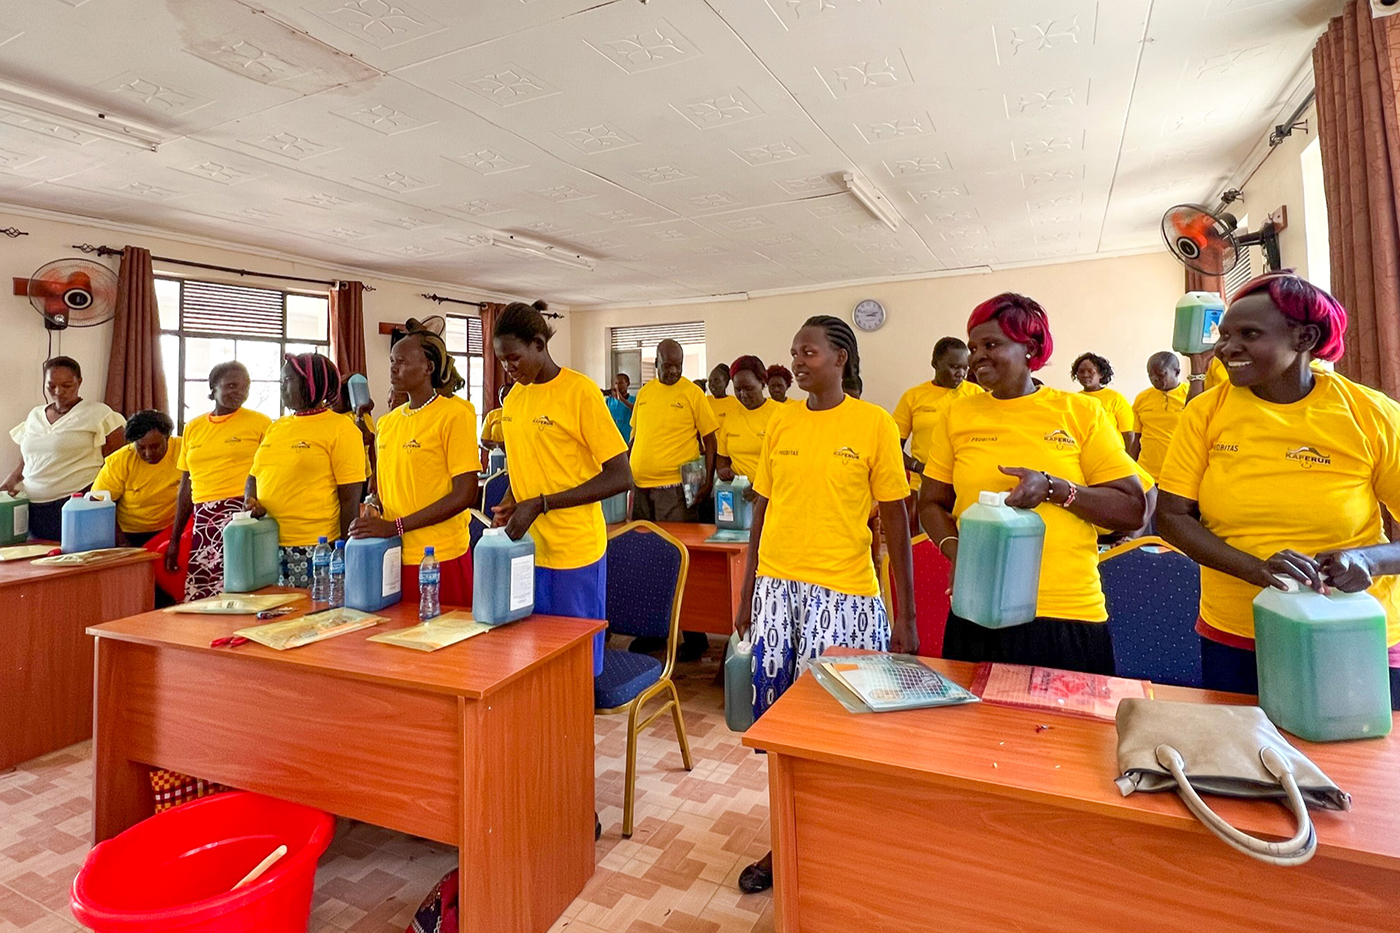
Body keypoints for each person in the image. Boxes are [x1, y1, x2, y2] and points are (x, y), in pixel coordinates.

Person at [735, 315, 917, 894]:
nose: (797, 360)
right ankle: (783, 837)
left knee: (840, 733)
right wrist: (746, 594)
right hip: (776, 594)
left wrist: (905, 619)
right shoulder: (781, 422)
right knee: (784, 732)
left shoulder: (874, 425)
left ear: (840, 356)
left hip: (845, 598)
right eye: (794, 351)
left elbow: (895, 521)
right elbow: (760, 510)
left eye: (808, 351)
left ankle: (841, 836)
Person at [1157, 272, 1400, 703]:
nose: (1227, 348)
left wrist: (1367, 559)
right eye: (1224, 334)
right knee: (1246, 761)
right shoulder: (1206, 413)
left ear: (1305, 337)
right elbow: (1172, 517)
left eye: (1249, 334)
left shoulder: (1370, 415)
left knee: (1361, 762)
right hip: (1238, 629)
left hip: (1353, 628)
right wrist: (1257, 570)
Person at [918, 294, 1147, 675]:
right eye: (974, 347)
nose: (977, 357)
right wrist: (961, 554)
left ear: (1031, 348)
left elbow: (1132, 508)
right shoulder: (957, 414)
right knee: (972, 733)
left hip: (1066, 612)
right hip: (978, 608)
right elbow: (930, 503)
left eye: (992, 345)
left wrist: (1054, 488)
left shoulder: (1080, 412)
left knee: (1070, 735)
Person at [490, 300, 631, 642]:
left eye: (514, 357)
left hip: (573, 552)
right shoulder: (514, 399)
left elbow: (620, 476)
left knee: (575, 662)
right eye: (501, 360)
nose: (508, 367)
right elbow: (525, 463)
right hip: (527, 549)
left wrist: (539, 504)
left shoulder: (579, 392)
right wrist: (512, 499)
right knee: (534, 654)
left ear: (539, 344)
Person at [349, 328, 479, 604]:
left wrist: (395, 526)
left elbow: (465, 493)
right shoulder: (388, 423)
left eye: (403, 362)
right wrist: (374, 508)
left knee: (447, 641)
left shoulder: (455, 415)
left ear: (428, 368)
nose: (394, 369)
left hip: (440, 556)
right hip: (393, 553)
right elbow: (387, 487)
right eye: (392, 362)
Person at [247, 354, 366, 586]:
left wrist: (345, 555)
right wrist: (250, 500)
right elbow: (254, 474)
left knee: (312, 618)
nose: (282, 388)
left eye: (288, 381)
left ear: (311, 384)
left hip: (315, 549)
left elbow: (350, 499)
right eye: (281, 381)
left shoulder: (342, 429)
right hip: (266, 543)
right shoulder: (277, 426)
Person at [167, 362, 272, 600]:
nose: (239, 392)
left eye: (245, 387)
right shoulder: (193, 428)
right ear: (213, 388)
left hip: (243, 516)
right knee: (204, 594)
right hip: (204, 519)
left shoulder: (261, 423)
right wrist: (175, 539)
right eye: (232, 385)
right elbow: (186, 486)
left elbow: (271, 472)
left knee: (242, 590)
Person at [3, 357, 125, 541]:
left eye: (66, 385)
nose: (58, 391)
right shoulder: (35, 415)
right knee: (38, 564)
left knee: (76, 562)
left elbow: (118, 461)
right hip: (34, 508)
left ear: (79, 382)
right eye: (51, 386)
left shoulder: (98, 413)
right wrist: (9, 482)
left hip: (78, 505)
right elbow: (27, 459)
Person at [629, 339, 718, 523]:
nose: (673, 371)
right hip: (640, 487)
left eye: (678, 365)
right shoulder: (645, 393)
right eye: (667, 365)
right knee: (642, 546)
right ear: (656, 364)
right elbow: (635, 436)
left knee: (676, 546)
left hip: (676, 489)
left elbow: (710, 439)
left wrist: (708, 481)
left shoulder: (693, 393)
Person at [892, 337, 980, 494]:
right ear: (935, 363)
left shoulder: (976, 394)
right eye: (954, 367)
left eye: (965, 368)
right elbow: (892, 446)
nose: (960, 374)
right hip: (924, 484)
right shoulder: (913, 397)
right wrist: (918, 467)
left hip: (966, 484)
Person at [91, 409, 182, 547]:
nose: (148, 453)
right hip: (130, 533)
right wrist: (123, 544)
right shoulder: (119, 461)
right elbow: (97, 502)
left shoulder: (185, 450)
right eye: (141, 448)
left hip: (173, 529)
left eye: (155, 446)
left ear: (168, 438)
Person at [716, 356, 778, 483]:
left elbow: (788, 463)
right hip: (739, 493)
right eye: (737, 390)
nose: (743, 395)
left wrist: (761, 488)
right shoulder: (731, 417)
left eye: (749, 389)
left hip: (772, 494)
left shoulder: (780, 414)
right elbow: (722, 458)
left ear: (762, 383)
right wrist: (725, 471)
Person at [1129, 351, 1189, 479]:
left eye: (1161, 374)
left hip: (1180, 472)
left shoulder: (1190, 395)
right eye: (1150, 375)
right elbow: (1136, 439)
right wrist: (1130, 468)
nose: (1154, 379)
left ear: (1177, 372)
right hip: (1146, 472)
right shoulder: (1142, 398)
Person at [1072, 352, 1135, 450]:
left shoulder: (1115, 398)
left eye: (1090, 371)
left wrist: (1129, 460)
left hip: (1112, 454)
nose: (1085, 375)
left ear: (1101, 374)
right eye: (1081, 371)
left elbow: (1129, 434)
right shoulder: (1074, 399)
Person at [605, 373, 635, 444]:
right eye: (616, 383)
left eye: (621, 383)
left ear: (628, 384)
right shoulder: (609, 401)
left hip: (627, 440)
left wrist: (621, 399)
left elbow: (635, 410)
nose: (618, 386)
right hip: (612, 440)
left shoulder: (634, 400)